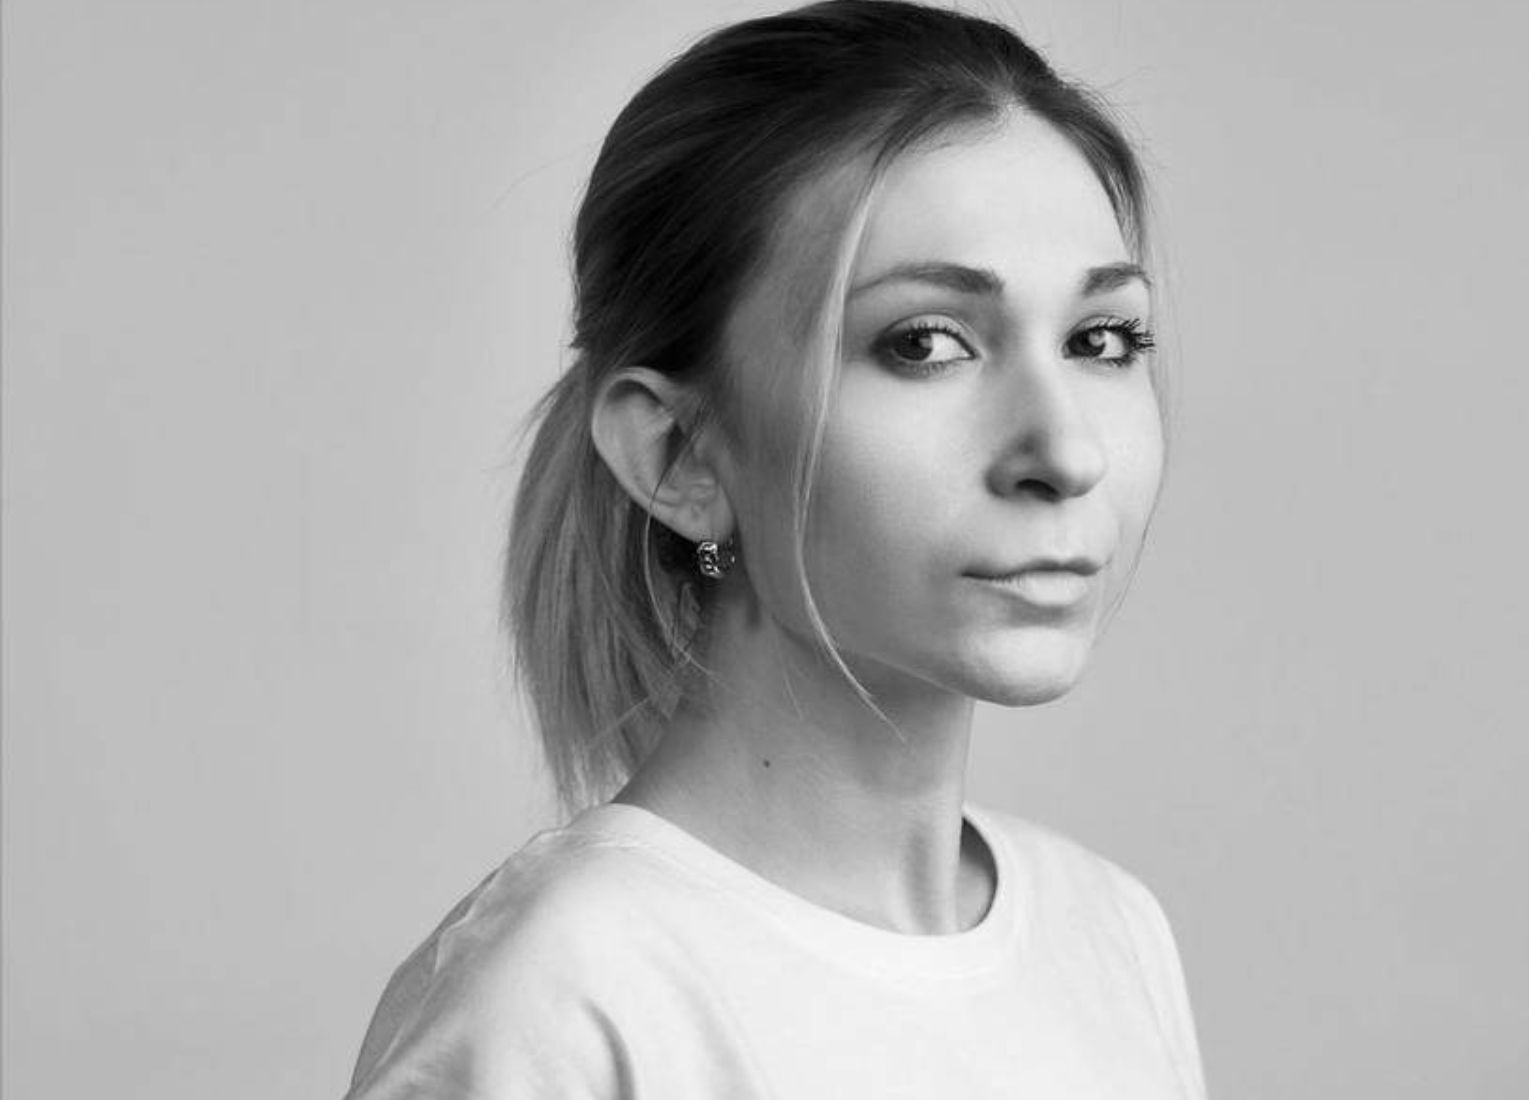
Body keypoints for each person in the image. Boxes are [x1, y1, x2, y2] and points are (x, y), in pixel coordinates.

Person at [343, 1, 1206, 1096]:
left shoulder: (1110, 935)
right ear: (680, 453)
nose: (1066, 451)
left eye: (1102, 339)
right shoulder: (567, 997)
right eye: (925, 343)